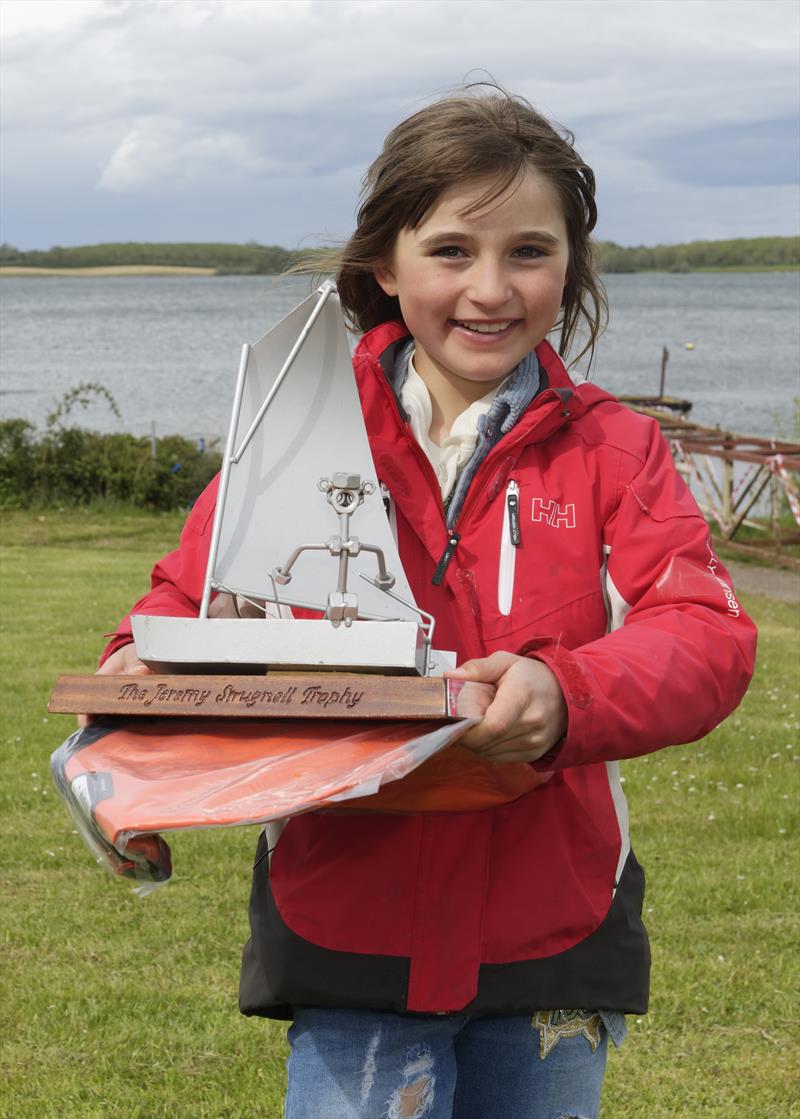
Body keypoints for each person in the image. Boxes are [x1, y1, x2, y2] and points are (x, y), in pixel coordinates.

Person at [96, 87, 756, 1119]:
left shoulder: (613, 449)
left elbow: (703, 634)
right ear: (384, 264)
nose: (489, 288)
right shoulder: (292, 431)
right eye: (450, 250)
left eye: (528, 252)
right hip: (345, 917)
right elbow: (188, 602)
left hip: (555, 924)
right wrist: (139, 679)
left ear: (569, 269)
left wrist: (562, 689)